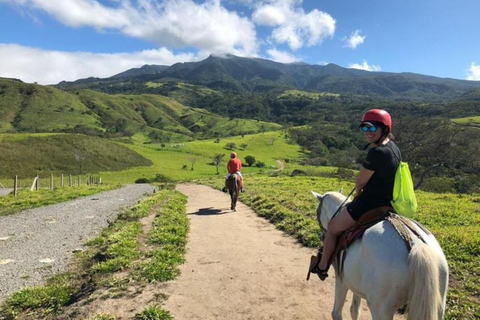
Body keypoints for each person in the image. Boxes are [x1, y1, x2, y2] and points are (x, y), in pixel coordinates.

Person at [311, 109, 401, 280]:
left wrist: (358, 194)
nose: (368, 133)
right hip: (389, 203)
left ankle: (322, 267)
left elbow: (360, 182)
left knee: (332, 228)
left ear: (384, 128)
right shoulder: (394, 149)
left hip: (369, 204)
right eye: (364, 129)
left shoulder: (377, 152)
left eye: (372, 128)